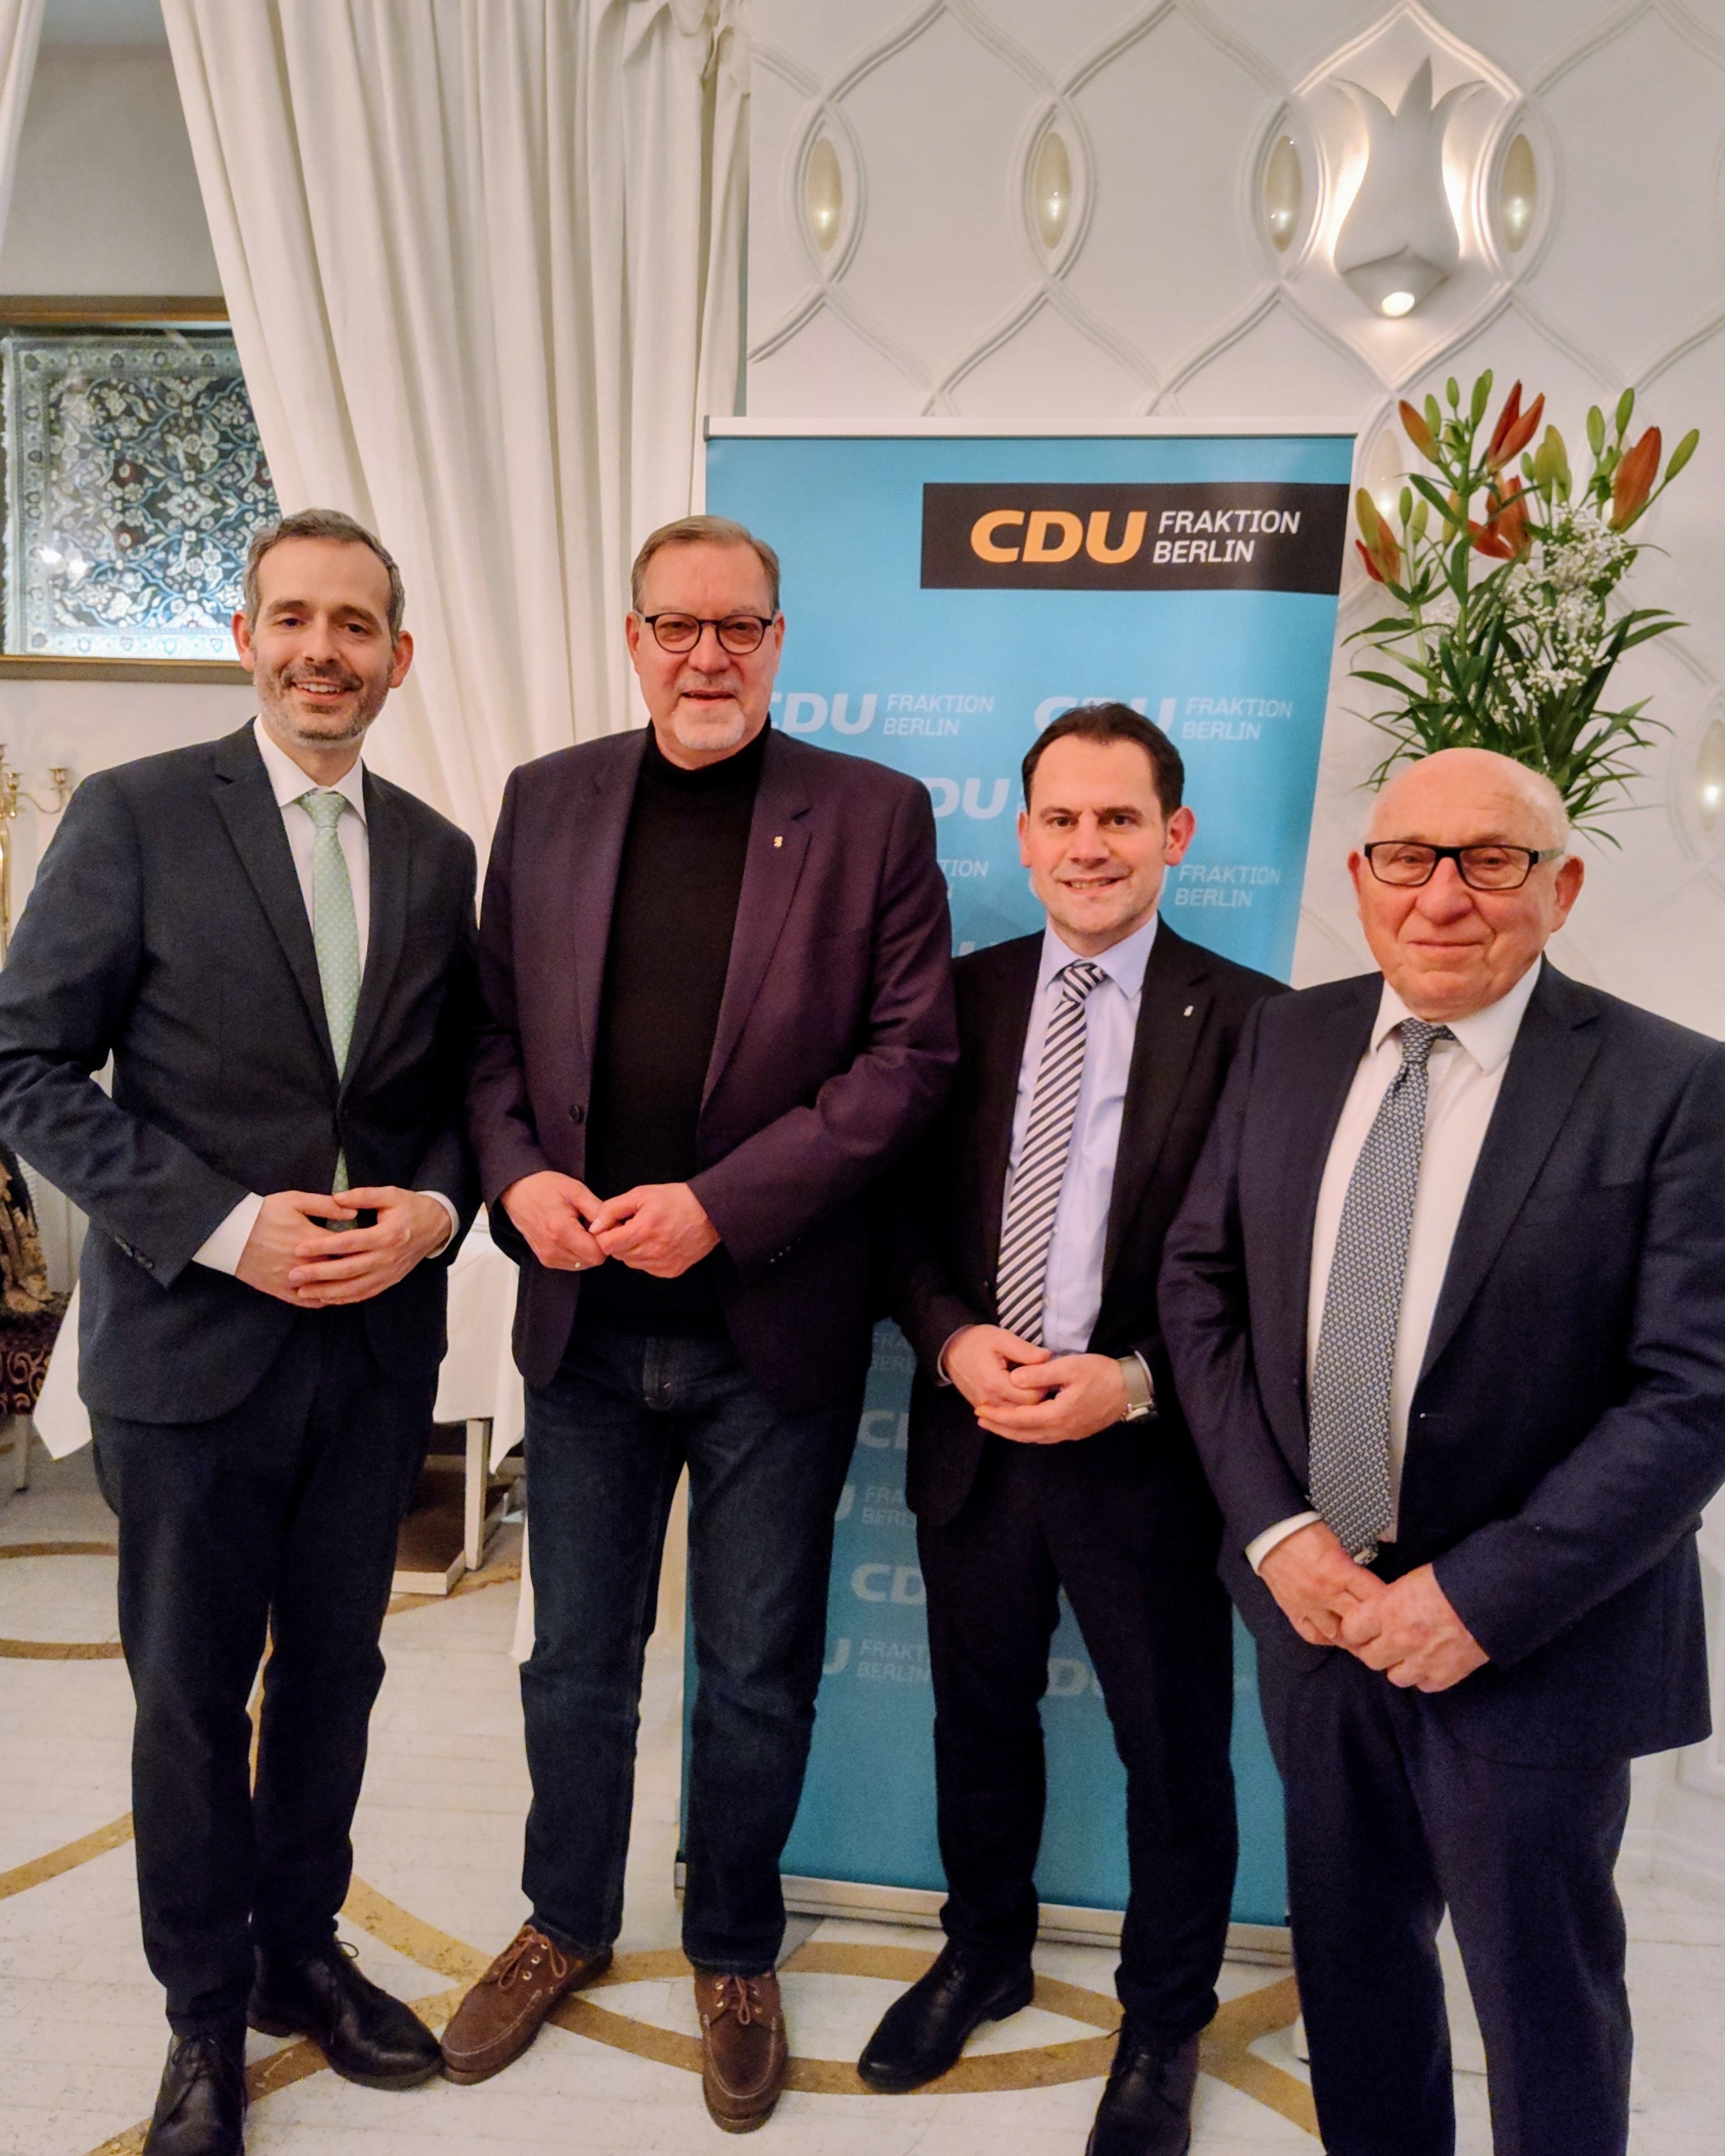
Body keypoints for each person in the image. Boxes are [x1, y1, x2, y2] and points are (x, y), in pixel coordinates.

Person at [449, 512, 957, 2130]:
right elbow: (488, 1040)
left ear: (780, 642)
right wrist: (520, 1180)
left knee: (754, 1672)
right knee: (574, 1664)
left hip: (769, 1327)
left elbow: (909, 1063)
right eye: (677, 625)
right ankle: (566, 1920)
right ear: (634, 638)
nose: (707, 655)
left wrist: (723, 1204)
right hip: (583, 1324)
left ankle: (734, 1945)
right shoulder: (546, 800)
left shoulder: (871, 815)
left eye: (739, 627)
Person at [1159, 747, 1725, 2156]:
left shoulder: (1674, 1083)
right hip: (1318, 1618)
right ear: (1364, 879)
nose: (1444, 895)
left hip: (1535, 1639)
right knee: (1355, 1976)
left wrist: (1478, 1596)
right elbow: (1199, 1287)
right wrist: (1279, 1533)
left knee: (1543, 2002)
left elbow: (1693, 1392)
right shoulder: (1285, 1039)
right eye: (1410, 857)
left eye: (1492, 859)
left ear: (1561, 887)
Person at [0, 510, 479, 2156]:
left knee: (336, 1676)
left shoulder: (437, 852)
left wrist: (435, 1209)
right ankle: (203, 2015)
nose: (321, 650)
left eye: (354, 624)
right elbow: (26, 1067)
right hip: (189, 1355)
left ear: (399, 656)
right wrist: (223, 1225)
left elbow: (456, 1092)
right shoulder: (136, 815)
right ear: (246, 637)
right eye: (292, 617)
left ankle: (299, 1955)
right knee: (193, 1699)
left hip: (370, 1355)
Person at [856, 703, 1280, 2155]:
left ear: (1176, 834)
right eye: (1062, 818)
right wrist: (950, 1338)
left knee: (1175, 1750)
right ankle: (984, 1951)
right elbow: (893, 1211)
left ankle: (1163, 2020)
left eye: (1119, 818)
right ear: (1024, 835)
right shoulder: (952, 1001)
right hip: (976, 1433)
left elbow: (1268, 1263)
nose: (1088, 845)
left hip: (1149, 1456)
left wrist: (1136, 1379)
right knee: (977, 1719)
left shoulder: (1258, 1021)